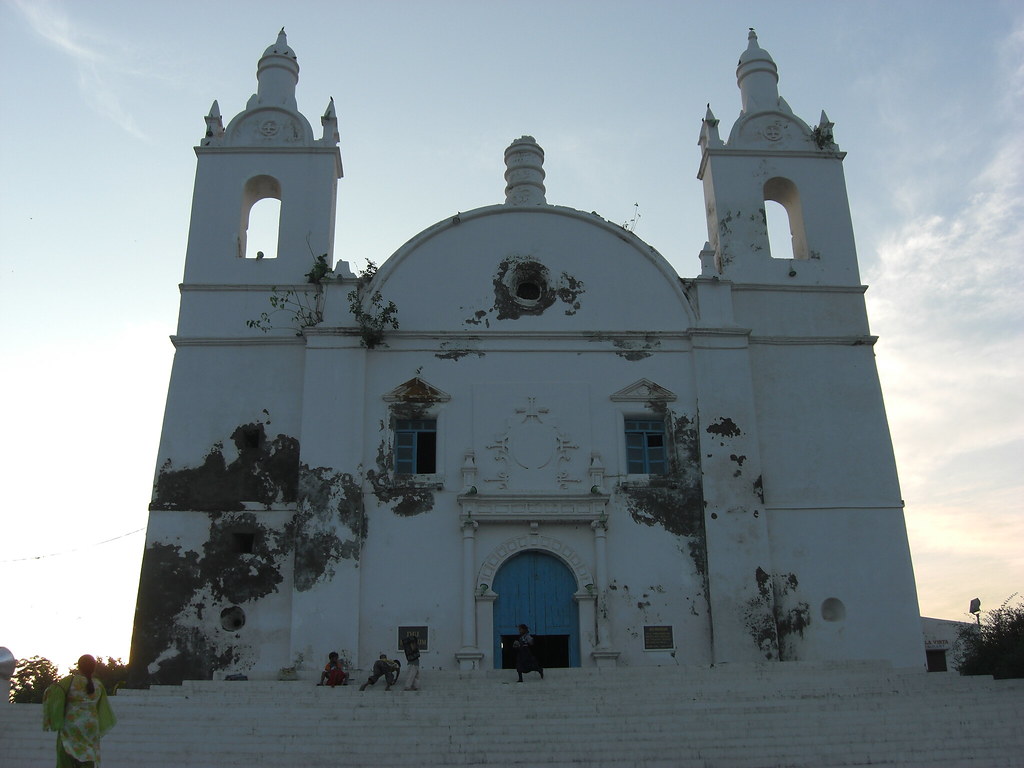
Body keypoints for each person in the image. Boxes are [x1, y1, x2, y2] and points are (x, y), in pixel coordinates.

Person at [42, 654, 116, 768]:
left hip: (71, 726)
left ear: (79, 665)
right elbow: (102, 706)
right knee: (88, 760)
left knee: (65, 759)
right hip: (91, 728)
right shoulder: (98, 685)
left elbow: (52, 693)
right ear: (94, 668)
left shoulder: (70, 681)